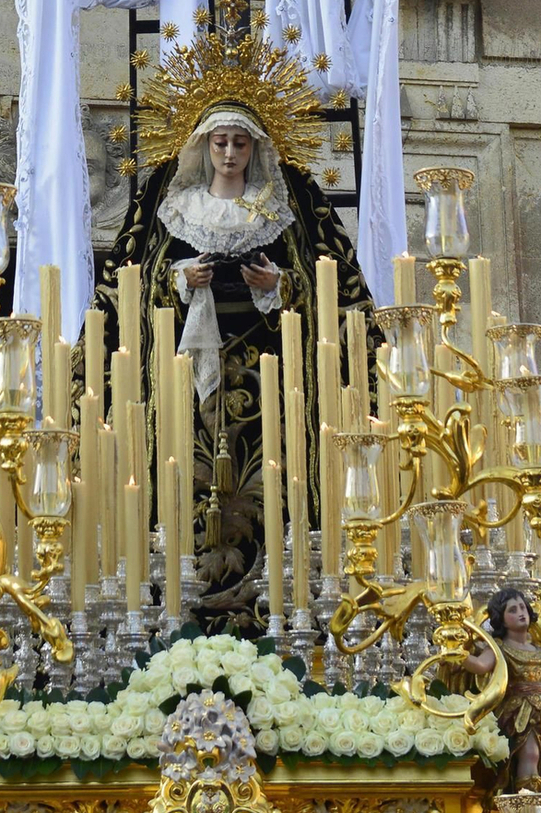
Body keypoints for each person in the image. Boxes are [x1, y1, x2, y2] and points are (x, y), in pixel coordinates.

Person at [97, 97, 371, 626]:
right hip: (185, 378)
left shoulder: (280, 209)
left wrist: (279, 286)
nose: (229, 152)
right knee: (185, 478)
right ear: (203, 145)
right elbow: (130, 284)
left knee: (270, 482)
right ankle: (177, 601)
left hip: (269, 374)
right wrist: (179, 279)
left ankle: (276, 600)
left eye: (240, 143)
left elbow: (327, 287)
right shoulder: (174, 204)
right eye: (220, 142)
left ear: (256, 148)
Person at [465, 586, 541, 782]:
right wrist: (458, 653)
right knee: (530, 754)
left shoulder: (540, 652)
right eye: (512, 610)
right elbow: (479, 665)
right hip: (518, 714)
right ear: (500, 618)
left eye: (522, 608)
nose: (521, 613)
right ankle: (527, 799)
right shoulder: (499, 648)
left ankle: (540, 797)